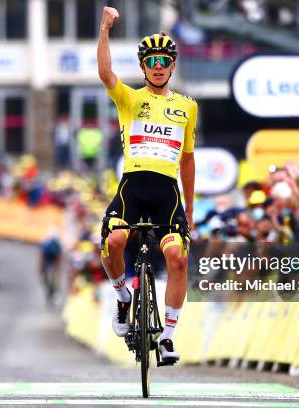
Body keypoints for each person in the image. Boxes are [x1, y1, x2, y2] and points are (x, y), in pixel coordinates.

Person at [97, 6, 198, 363]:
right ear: (143, 67)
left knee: (177, 257)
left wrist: (190, 207)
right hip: (133, 186)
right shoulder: (129, 98)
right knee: (114, 241)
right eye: (151, 60)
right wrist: (105, 28)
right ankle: (123, 296)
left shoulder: (187, 107)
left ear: (172, 66)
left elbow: (187, 159)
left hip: (167, 192)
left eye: (164, 60)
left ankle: (168, 336)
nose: (158, 65)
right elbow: (105, 72)